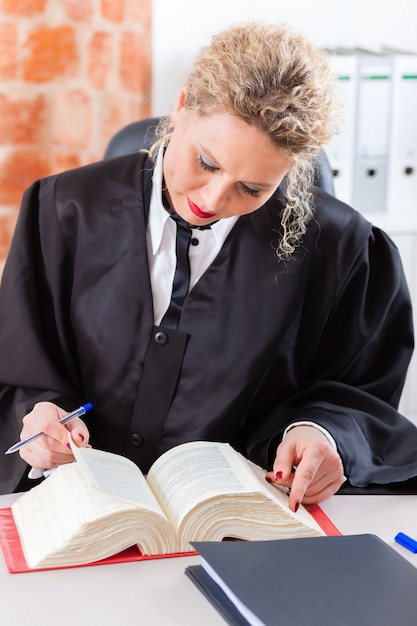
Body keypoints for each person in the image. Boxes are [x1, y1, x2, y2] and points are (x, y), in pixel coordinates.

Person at [1, 22, 417, 511]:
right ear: (181, 106)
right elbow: (21, 369)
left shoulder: (344, 248)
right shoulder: (63, 209)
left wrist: (320, 432)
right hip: (76, 512)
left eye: (253, 189)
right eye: (207, 161)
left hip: (240, 524)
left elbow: (357, 396)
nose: (213, 199)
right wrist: (40, 417)